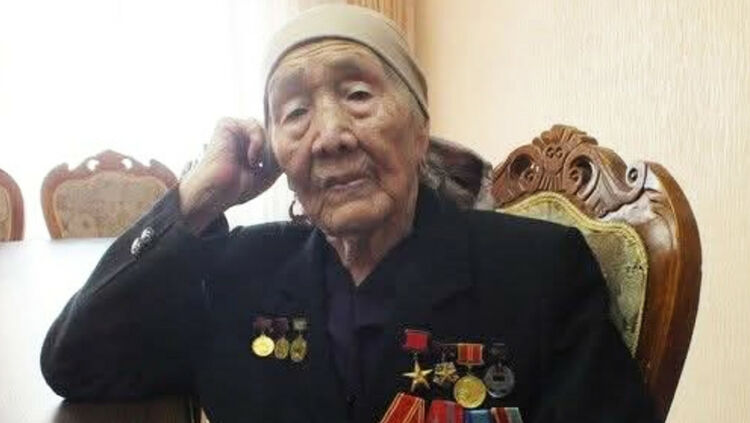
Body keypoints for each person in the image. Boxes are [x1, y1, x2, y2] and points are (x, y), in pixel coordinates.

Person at [40, 4, 659, 423]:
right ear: (276, 152)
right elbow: (77, 362)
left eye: (358, 95)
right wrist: (197, 198)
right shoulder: (236, 273)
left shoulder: (538, 271)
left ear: (420, 129)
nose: (330, 135)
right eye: (294, 113)